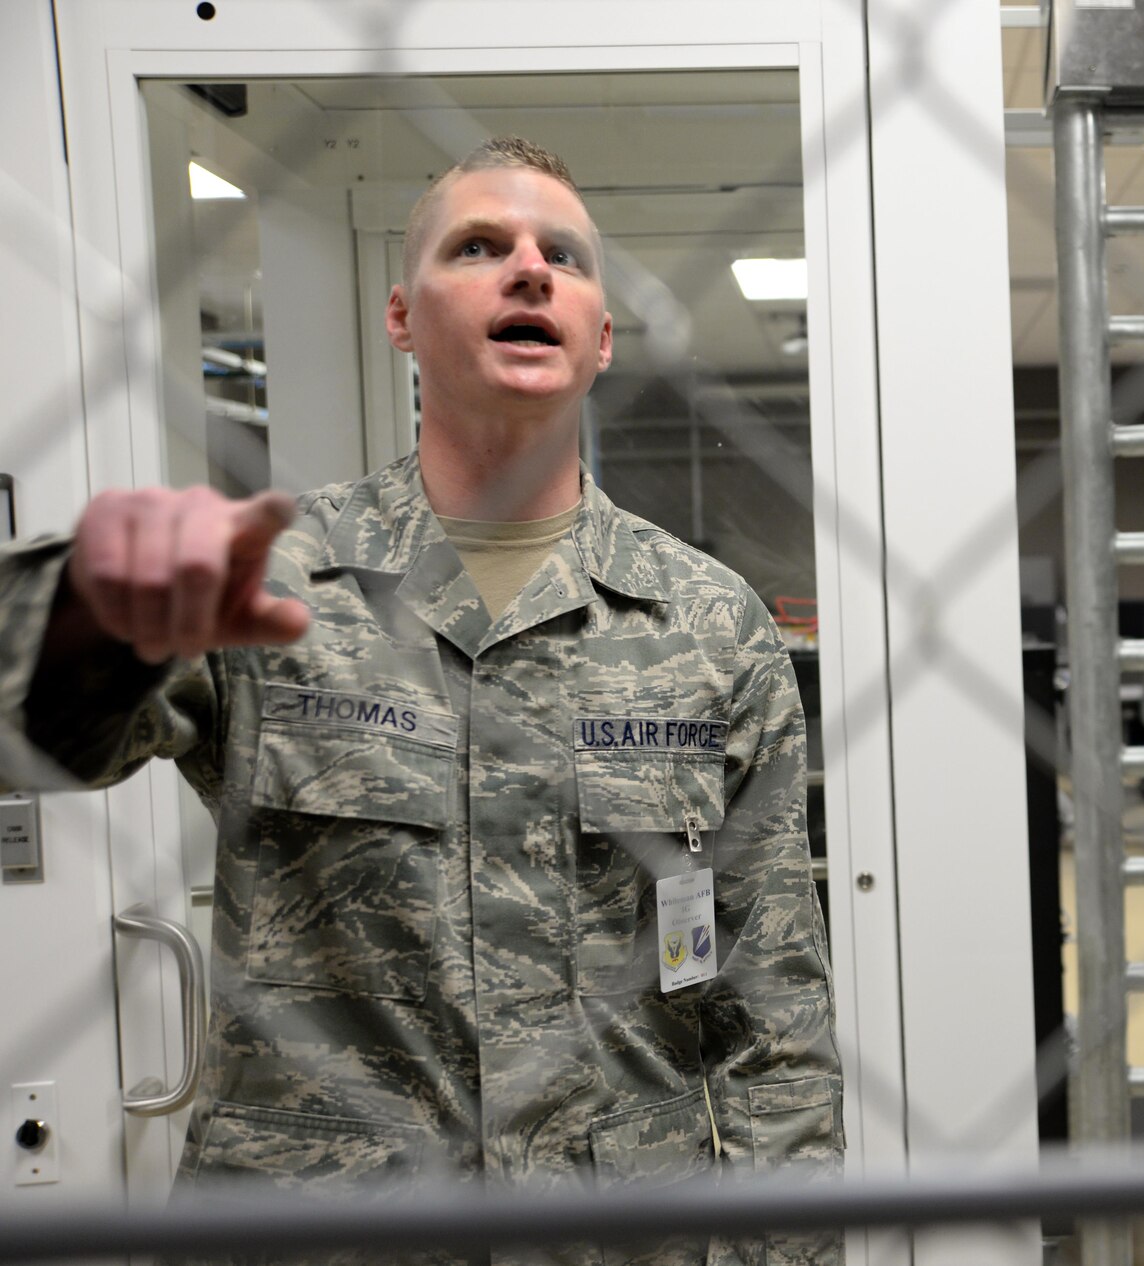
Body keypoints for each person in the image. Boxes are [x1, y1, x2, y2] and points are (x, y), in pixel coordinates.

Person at [0, 137, 841, 1265]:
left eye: (564, 256)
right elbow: (47, 746)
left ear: (599, 337)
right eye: (479, 247)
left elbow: (770, 1010)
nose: (528, 270)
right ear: (401, 317)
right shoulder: (275, 580)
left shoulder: (706, 622)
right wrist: (80, 620)